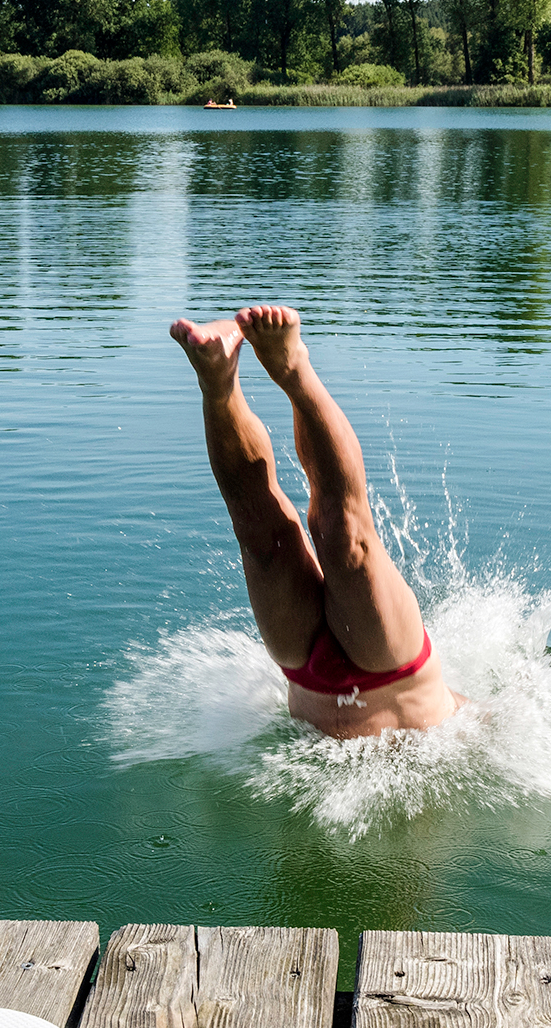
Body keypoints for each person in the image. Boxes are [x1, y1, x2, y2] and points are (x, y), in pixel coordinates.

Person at [170, 305, 462, 737]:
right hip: (392, 663)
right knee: (345, 536)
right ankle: (292, 366)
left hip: (304, 665)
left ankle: (217, 381)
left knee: (259, 536)